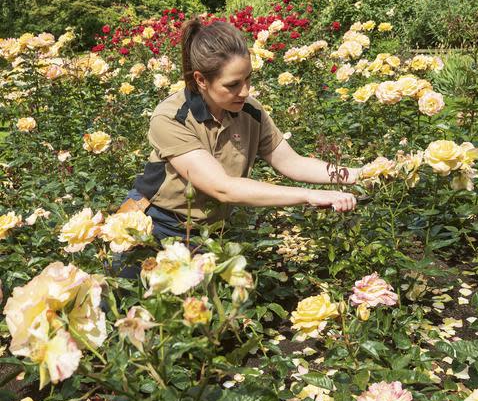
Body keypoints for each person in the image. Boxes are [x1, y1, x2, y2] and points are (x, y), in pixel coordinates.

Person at [120, 18, 360, 243]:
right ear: (201, 80)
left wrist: (361, 175)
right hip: (153, 226)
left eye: (248, 79)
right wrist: (310, 195)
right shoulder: (172, 117)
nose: (245, 91)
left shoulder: (250, 111)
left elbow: (291, 162)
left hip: (210, 232)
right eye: (233, 84)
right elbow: (222, 187)